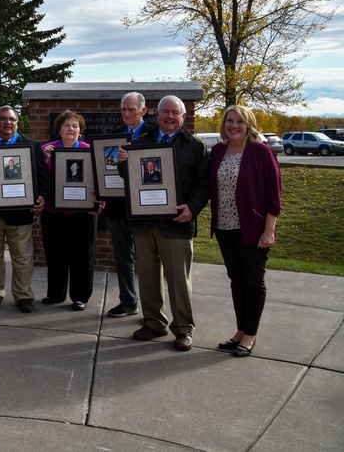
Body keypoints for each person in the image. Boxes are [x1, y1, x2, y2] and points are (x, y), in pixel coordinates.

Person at [120, 95, 209, 351]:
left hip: (177, 223)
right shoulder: (139, 143)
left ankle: (183, 329)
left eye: (175, 113)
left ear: (183, 117)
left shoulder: (195, 146)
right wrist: (122, 164)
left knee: (179, 279)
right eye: (165, 112)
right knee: (148, 277)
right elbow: (129, 179)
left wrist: (192, 209)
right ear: (156, 115)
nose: (169, 117)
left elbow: (203, 185)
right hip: (145, 223)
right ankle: (154, 322)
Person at [209, 105, 281, 358]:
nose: (234, 125)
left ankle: (250, 335)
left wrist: (269, 230)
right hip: (224, 227)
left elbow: (274, 195)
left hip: (252, 229)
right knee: (236, 281)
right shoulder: (218, 150)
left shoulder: (261, 152)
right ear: (224, 124)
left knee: (253, 281)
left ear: (249, 124)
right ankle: (241, 330)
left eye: (240, 121)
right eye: (230, 120)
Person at [0, 105, 49, 312]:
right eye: (3, 119)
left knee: (23, 257)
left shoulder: (31, 146)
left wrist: (43, 196)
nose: (8, 122)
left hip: (20, 212)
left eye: (12, 119)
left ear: (17, 122)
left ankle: (24, 295)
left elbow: (43, 178)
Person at [40, 110, 102, 311]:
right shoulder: (46, 151)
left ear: (80, 131)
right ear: (58, 130)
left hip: (82, 214)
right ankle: (56, 294)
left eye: (75, 126)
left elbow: (101, 181)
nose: (71, 129)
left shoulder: (90, 151)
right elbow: (38, 180)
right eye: (66, 125)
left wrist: (100, 203)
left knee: (82, 256)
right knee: (55, 255)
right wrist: (45, 160)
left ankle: (80, 296)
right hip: (53, 213)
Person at [104, 92, 148, 318]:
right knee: (123, 258)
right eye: (124, 110)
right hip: (118, 206)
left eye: (132, 109)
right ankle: (128, 302)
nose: (127, 114)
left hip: (146, 208)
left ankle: (153, 309)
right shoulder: (112, 137)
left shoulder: (154, 135)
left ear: (143, 111)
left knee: (150, 260)